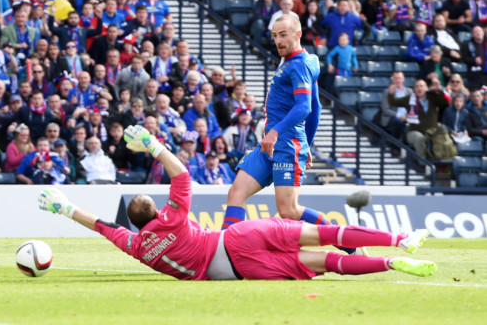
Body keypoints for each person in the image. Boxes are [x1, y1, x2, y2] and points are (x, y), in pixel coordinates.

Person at [38, 124, 437, 281]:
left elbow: (103, 227)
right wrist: (154, 146)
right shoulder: (173, 217)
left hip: (240, 270)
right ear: (156, 211)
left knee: (328, 263)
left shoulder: (138, 246)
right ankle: (399, 240)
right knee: (325, 233)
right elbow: (181, 175)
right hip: (236, 240)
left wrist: (64, 207)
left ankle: (389, 264)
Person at [221, 15, 360, 252]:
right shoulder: (297, 60)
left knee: (289, 210)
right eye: (275, 36)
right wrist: (308, 145)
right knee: (236, 192)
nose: (278, 40)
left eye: (283, 34)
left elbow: (305, 108)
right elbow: (315, 108)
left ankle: (340, 238)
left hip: (284, 143)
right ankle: (222, 249)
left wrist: (279, 134)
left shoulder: (298, 65)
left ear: (297, 34)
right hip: (270, 145)